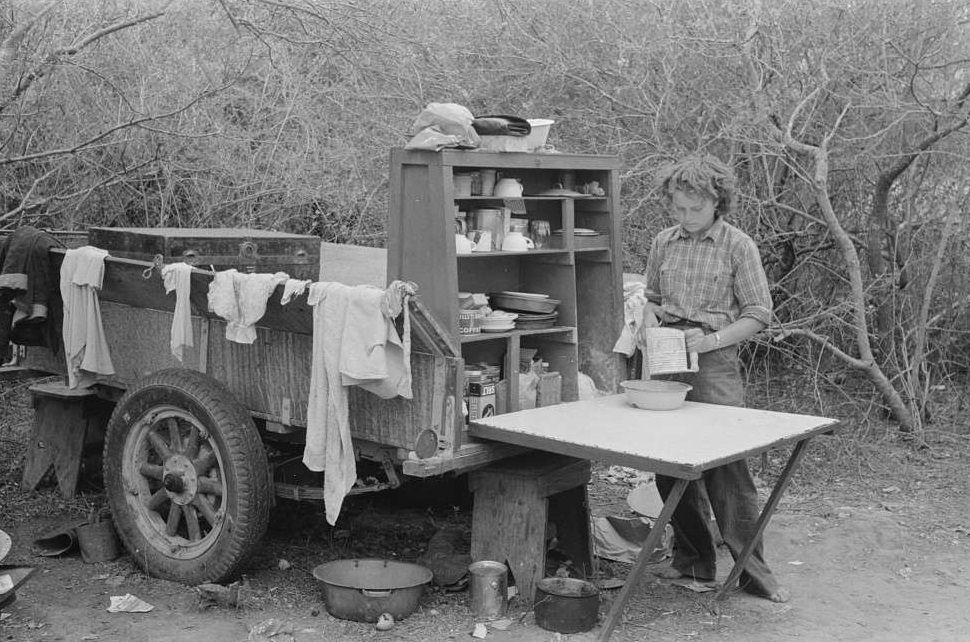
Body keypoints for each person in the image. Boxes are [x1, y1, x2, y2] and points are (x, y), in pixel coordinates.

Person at [637, 153, 789, 603]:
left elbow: (759, 314)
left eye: (694, 209)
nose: (685, 218)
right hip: (666, 359)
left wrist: (711, 340)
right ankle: (694, 563)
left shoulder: (738, 245)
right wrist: (649, 316)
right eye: (677, 209)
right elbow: (651, 298)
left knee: (727, 470)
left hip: (715, 361)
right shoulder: (664, 241)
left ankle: (754, 574)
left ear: (717, 202)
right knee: (668, 466)